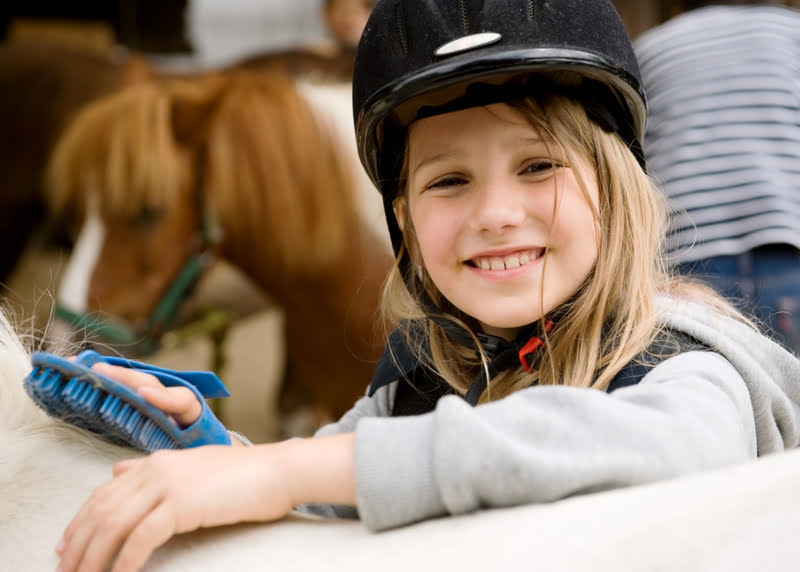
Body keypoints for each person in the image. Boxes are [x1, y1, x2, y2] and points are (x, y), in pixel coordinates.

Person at [55, 1, 800, 570]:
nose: (495, 214)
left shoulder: (682, 359)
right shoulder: (424, 376)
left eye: (538, 166)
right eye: (450, 180)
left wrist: (281, 466)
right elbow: (344, 482)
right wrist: (214, 447)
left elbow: (676, 446)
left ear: (616, 189)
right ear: (405, 223)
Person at [633, 0, 800, 352]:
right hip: (785, 246)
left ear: (677, 7)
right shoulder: (789, 30)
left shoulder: (649, 48)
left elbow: (634, 158)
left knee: (708, 391)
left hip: (687, 259)